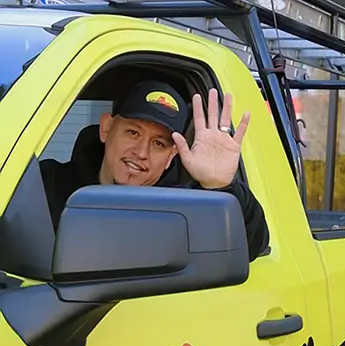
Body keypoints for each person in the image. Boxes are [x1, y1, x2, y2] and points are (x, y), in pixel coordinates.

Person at [40, 80, 270, 261]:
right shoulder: (43, 185)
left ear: (171, 157)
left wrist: (222, 186)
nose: (141, 152)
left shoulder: (182, 212)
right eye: (133, 133)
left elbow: (250, 245)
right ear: (106, 128)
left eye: (158, 143)